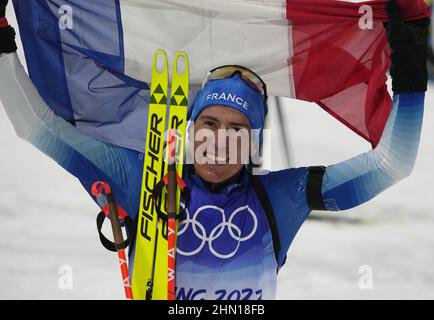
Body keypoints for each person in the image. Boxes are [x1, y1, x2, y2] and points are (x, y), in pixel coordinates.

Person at [0, 0, 429, 300]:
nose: (219, 139)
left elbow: (391, 164)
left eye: (236, 129)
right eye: (209, 123)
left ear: (252, 145)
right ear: (190, 129)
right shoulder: (137, 180)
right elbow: (38, 127)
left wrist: (409, 85)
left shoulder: (280, 199)